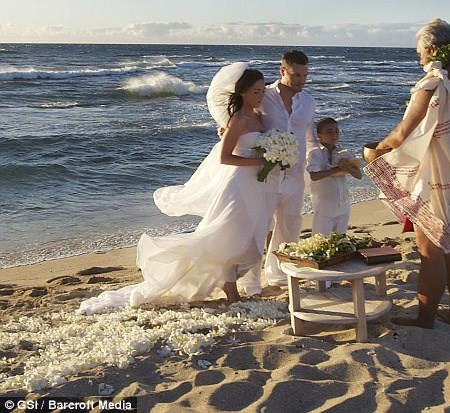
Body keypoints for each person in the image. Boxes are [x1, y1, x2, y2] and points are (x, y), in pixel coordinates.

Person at [78, 63, 268, 314]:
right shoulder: (239, 120)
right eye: (256, 91)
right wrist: (260, 161)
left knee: (245, 238)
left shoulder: (258, 116)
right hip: (236, 184)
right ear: (242, 92)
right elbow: (225, 157)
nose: (261, 95)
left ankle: (229, 285)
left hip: (254, 185)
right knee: (225, 235)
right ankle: (231, 291)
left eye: (263, 90)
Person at [364, 18, 450, 329]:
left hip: (441, 179)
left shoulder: (435, 81)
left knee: (430, 247)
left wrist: (375, 152)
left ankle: (425, 318)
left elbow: (401, 135)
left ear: (432, 48)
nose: (419, 58)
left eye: (419, 52)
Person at [237, 50, 318, 295]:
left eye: (305, 75)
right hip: (266, 174)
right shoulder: (265, 96)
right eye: (296, 75)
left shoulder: (309, 102)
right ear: (282, 71)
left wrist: (317, 160)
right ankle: (251, 283)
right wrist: (226, 129)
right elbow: (243, 115)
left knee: (290, 224)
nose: (301, 80)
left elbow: (310, 137)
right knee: (259, 226)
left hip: (295, 175)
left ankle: (279, 275)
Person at [307, 117, 362, 235]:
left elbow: (358, 175)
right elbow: (314, 176)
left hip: (343, 204)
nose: (334, 135)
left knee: (340, 239)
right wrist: (337, 169)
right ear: (319, 135)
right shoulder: (315, 153)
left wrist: (347, 167)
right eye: (329, 132)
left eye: (336, 131)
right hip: (324, 206)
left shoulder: (343, 152)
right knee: (321, 240)